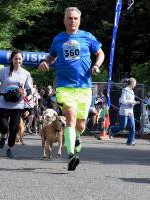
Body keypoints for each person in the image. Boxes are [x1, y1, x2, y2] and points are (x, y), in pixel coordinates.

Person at [39, 7, 105, 171]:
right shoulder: (58, 39)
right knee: (70, 116)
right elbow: (51, 56)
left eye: (75, 18)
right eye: (69, 18)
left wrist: (96, 65)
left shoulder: (87, 37)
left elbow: (100, 54)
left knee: (81, 125)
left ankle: (75, 138)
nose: (72, 21)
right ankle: (71, 155)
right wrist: (45, 62)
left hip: (84, 87)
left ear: (79, 20)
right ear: (64, 20)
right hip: (64, 86)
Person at [0, 49, 33, 158]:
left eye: (19, 59)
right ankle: (3, 135)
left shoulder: (26, 73)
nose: (17, 61)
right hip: (3, 103)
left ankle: (10, 147)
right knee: (4, 127)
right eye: (15, 59)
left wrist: (26, 92)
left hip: (18, 105)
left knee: (14, 128)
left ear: (22, 60)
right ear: (12, 59)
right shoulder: (4, 71)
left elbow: (29, 89)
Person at [109, 78, 140, 145]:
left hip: (130, 111)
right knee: (123, 126)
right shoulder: (125, 90)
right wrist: (133, 102)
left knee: (132, 126)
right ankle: (112, 129)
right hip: (124, 110)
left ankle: (130, 141)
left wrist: (134, 102)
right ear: (132, 83)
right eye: (135, 83)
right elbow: (122, 101)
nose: (135, 84)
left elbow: (130, 102)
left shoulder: (132, 91)